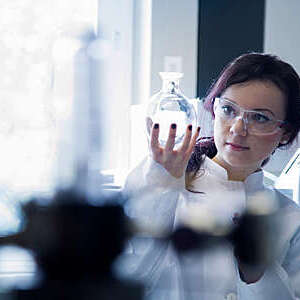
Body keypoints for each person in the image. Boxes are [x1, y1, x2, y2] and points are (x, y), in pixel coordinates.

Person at [120, 53, 300, 300]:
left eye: (260, 117)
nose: (237, 129)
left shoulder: (291, 217)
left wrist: (257, 270)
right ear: (214, 110)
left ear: (285, 133)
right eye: (228, 109)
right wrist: (161, 188)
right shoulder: (163, 184)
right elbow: (129, 276)